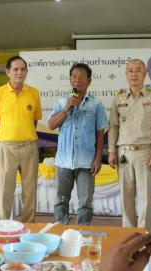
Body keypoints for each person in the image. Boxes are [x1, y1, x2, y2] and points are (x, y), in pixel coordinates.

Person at [108, 59, 151, 230]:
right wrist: (111, 151)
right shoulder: (118, 98)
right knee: (126, 198)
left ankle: (145, 236)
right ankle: (128, 235)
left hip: (146, 153)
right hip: (123, 153)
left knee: (145, 199)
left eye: (138, 70)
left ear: (145, 73)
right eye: (130, 71)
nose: (134, 74)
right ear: (126, 74)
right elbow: (113, 126)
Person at [48, 63, 108, 225]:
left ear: (89, 81)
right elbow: (52, 125)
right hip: (63, 162)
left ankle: (82, 233)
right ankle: (60, 230)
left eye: (82, 77)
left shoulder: (96, 105)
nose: (77, 80)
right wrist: (67, 108)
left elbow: (100, 133)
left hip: (87, 162)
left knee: (85, 203)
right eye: (74, 77)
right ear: (70, 81)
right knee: (61, 201)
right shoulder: (61, 103)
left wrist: (98, 159)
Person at [0, 55, 42, 223]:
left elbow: (34, 120)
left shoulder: (33, 92)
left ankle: (29, 224)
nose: (19, 72)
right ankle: (2, 224)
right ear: (7, 72)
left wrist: (24, 136)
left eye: (23, 69)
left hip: (30, 146)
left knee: (30, 187)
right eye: (16, 69)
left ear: (26, 72)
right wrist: (1, 141)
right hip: (6, 146)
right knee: (5, 187)